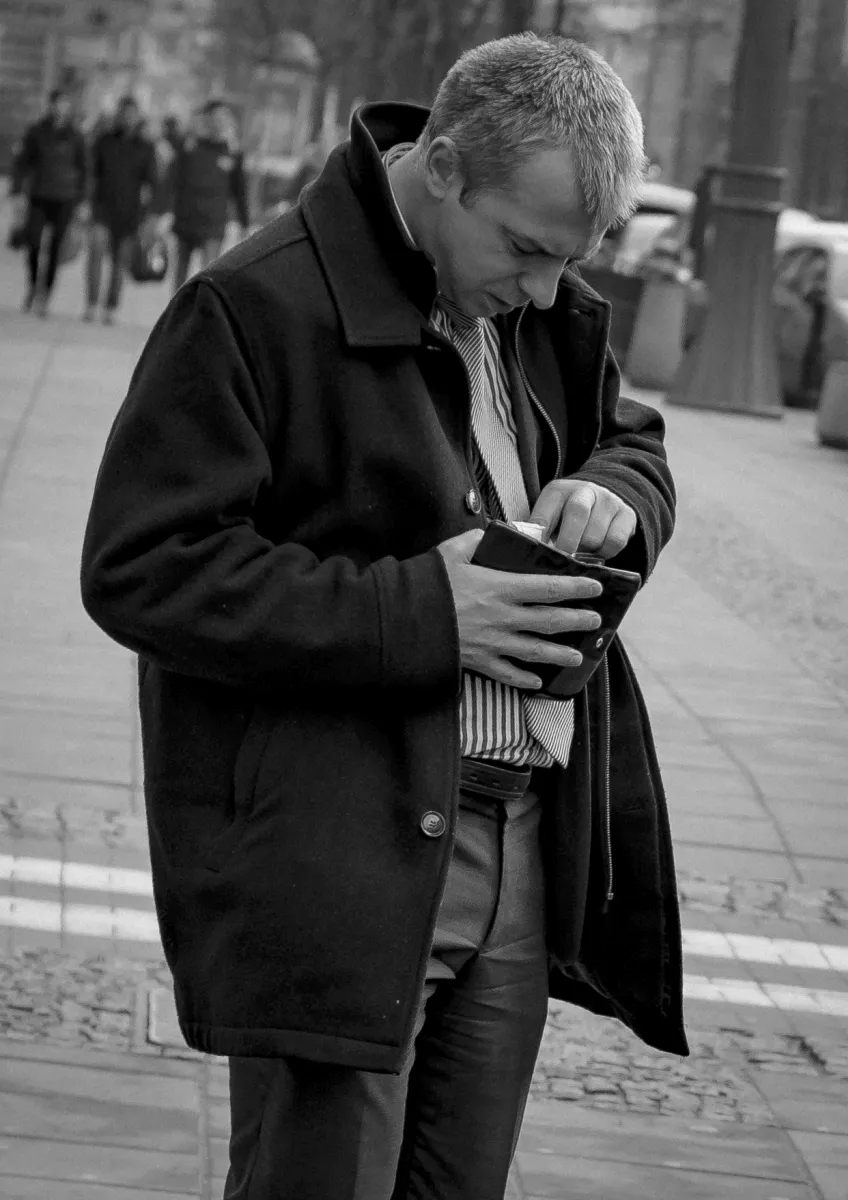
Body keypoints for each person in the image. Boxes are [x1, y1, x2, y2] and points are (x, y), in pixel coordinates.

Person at [81, 34, 687, 1200]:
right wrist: (422, 613)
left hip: (516, 841)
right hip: (333, 851)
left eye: (569, 261)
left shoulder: (526, 290)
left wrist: (612, 495)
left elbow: (633, 438)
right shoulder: (248, 304)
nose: (547, 290)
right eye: (526, 250)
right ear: (443, 166)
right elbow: (141, 567)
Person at [9, 87, 88, 316]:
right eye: (57, 103)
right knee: (33, 243)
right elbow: (23, 162)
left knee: (55, 249)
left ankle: (46, 294)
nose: (60, 108)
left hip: (65, 199)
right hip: (39, 196)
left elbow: (85, 169)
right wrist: (16, 191)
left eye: (64, 103)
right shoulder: (37, 131)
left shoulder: (75, 135)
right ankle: (33, 284)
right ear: (50, 105)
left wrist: (83, 201)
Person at [156, 99, 249, 291]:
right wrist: (163, 211)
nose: (218, 123)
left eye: (223, 119)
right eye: (214, 118)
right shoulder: (190, 147)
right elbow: (172, 180)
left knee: (208, 275)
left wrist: (244, 222)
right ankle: (178, 315)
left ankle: (202, 316)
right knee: (180, 273)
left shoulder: (233, 152)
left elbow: (239, 191)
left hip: (213, 223)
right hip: (186, 219)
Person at [84, 96, 159, 324]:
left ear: (137, 118)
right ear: (118, 115)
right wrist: (85, 204)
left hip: (129, 214)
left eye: (132, 115)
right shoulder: (103, 142)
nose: (127, 118)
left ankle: (111, 308)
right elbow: (90, 175)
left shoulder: (146, 148)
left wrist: (149, 217)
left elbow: (152, 183)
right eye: (124, 114)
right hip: (102, 209)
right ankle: (91, 305)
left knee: (120, 262)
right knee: (96, 253)